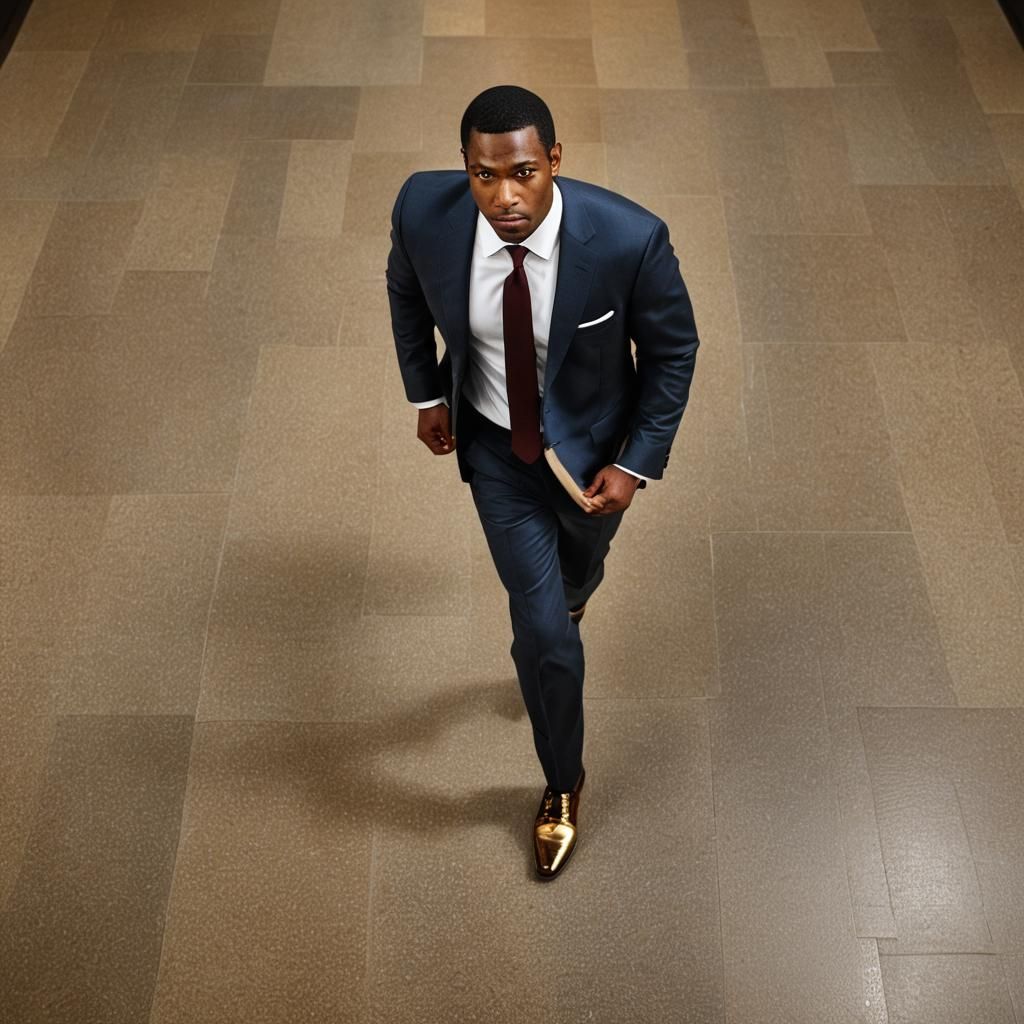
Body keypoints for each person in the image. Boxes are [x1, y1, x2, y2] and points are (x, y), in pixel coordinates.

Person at [386, 84, 700, 880]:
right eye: (485, 176)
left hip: (593, 460)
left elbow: (673, 355)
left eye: (523, 172)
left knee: (580, 572)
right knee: (545, 634)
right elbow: (404, 285)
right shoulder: (426, 210)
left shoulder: (630, 239)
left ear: (554, 160)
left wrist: (633, 465)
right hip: (496, 450)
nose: (505, 196)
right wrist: (426, 390)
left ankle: (575, 591)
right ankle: (563, 783)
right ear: (465, 170)